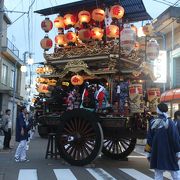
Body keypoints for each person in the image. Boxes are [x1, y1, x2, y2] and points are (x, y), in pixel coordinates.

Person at [145, 102, 180, 180]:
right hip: (169, 152)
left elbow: (149, 139)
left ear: (158, 110)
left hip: (156, 152)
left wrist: (148, 153)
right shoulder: (170, 122)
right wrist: (178, 152)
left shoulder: (152, 122)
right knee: (175, 173)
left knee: (158, 174)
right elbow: (175, 138)